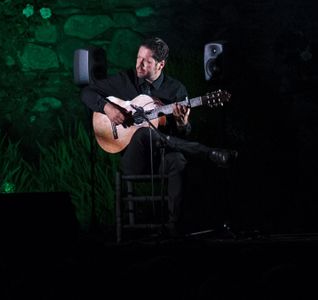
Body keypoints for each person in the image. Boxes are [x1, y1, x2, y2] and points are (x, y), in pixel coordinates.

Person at [79, 35, 234, 234]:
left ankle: (173, 228)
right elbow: (87, 93)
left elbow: (183, 133)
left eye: (146, 61)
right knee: (144, 133)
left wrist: (182, 122)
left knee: (178, 161)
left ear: (160, 64)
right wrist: (107, 108)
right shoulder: (125, 80)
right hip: (134, 160)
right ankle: (207, 153)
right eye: (138, 58)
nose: (139, 64)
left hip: (162, 159)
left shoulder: (176, 89)